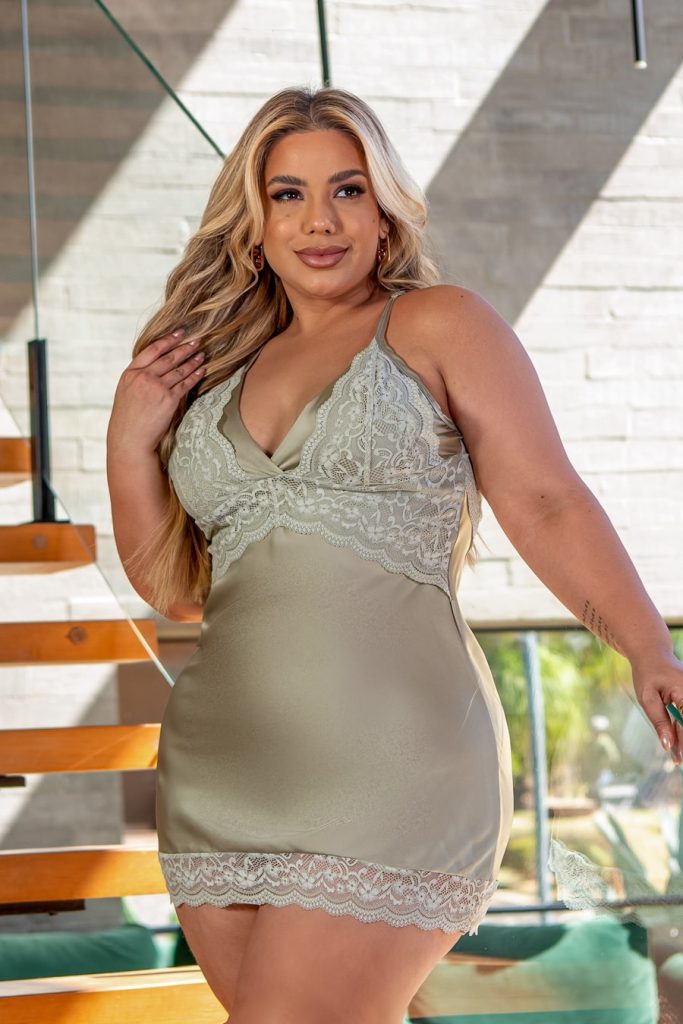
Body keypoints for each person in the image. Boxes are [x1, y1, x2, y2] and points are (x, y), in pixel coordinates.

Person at [106, 85, 683, 1024]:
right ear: (253, 223)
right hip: (221, 769)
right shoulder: (212, 371)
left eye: (348, 190)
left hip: (393, 761)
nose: (319, 220)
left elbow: (544, 500)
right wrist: (129, 442)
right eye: (288, 195)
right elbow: (177, 589)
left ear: (385, 212)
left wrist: (644, 643)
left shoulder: (438, 324)